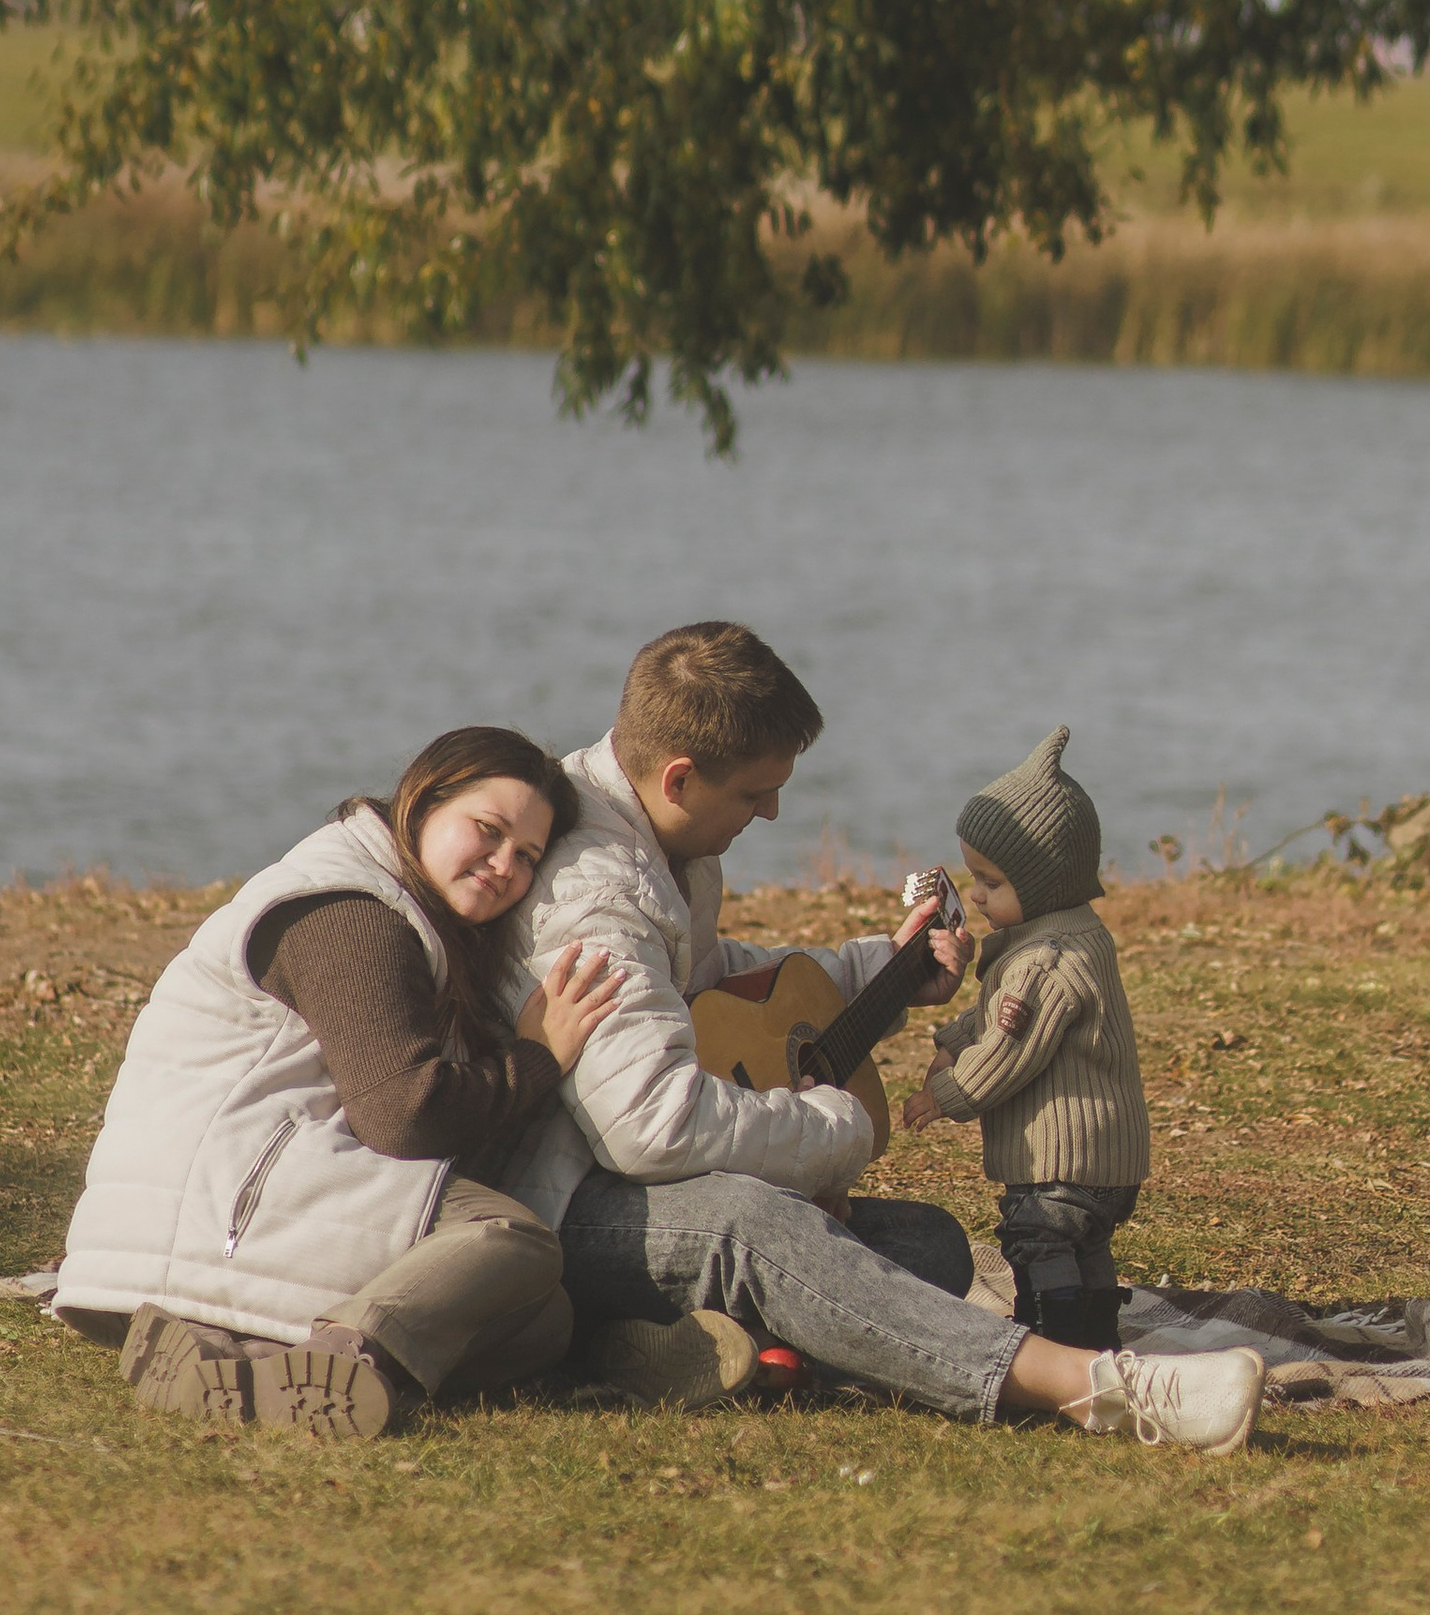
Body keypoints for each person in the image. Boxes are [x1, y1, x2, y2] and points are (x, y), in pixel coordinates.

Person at [511, 622, 1263, 1451]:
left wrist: (879, 973)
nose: (773, 810)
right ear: (681, 778)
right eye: (756, 793)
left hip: (626, 1180)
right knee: (755, 1224)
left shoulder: (666, 835)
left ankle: (636, 1348)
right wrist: (837, 1130)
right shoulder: (597, 897)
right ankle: (1096, 1386)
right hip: (561, 1207)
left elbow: (699, 981)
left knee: (932, 1248)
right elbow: (652, 1126)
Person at [53, 725, 620, 1435]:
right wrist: (538, 1058)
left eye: (527, 855)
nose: (504, 863)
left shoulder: (401, 909)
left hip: (243, 1204)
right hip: (217, 1206)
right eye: (488, 829)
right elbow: (405, 1116)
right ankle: (351, 1355)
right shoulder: (346, 910)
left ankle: (225, 1358)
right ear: (421, 800)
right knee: (510, 1238)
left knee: (542, 1320)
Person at [899, 724, 1148, 1351]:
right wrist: (955, 1034)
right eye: (973, 878)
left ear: (1043, 883)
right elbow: (998, 1012)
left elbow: (1012, 1050)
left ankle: (1052, 1340)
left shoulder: (1046, 959)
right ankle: (1096, 1338)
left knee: (1038, 1237)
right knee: (1083, 1244)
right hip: (1103, 1158)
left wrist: (948, 1094)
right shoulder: (1065, 936)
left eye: (991, 883)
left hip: (1062, 1157)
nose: (976, 894)